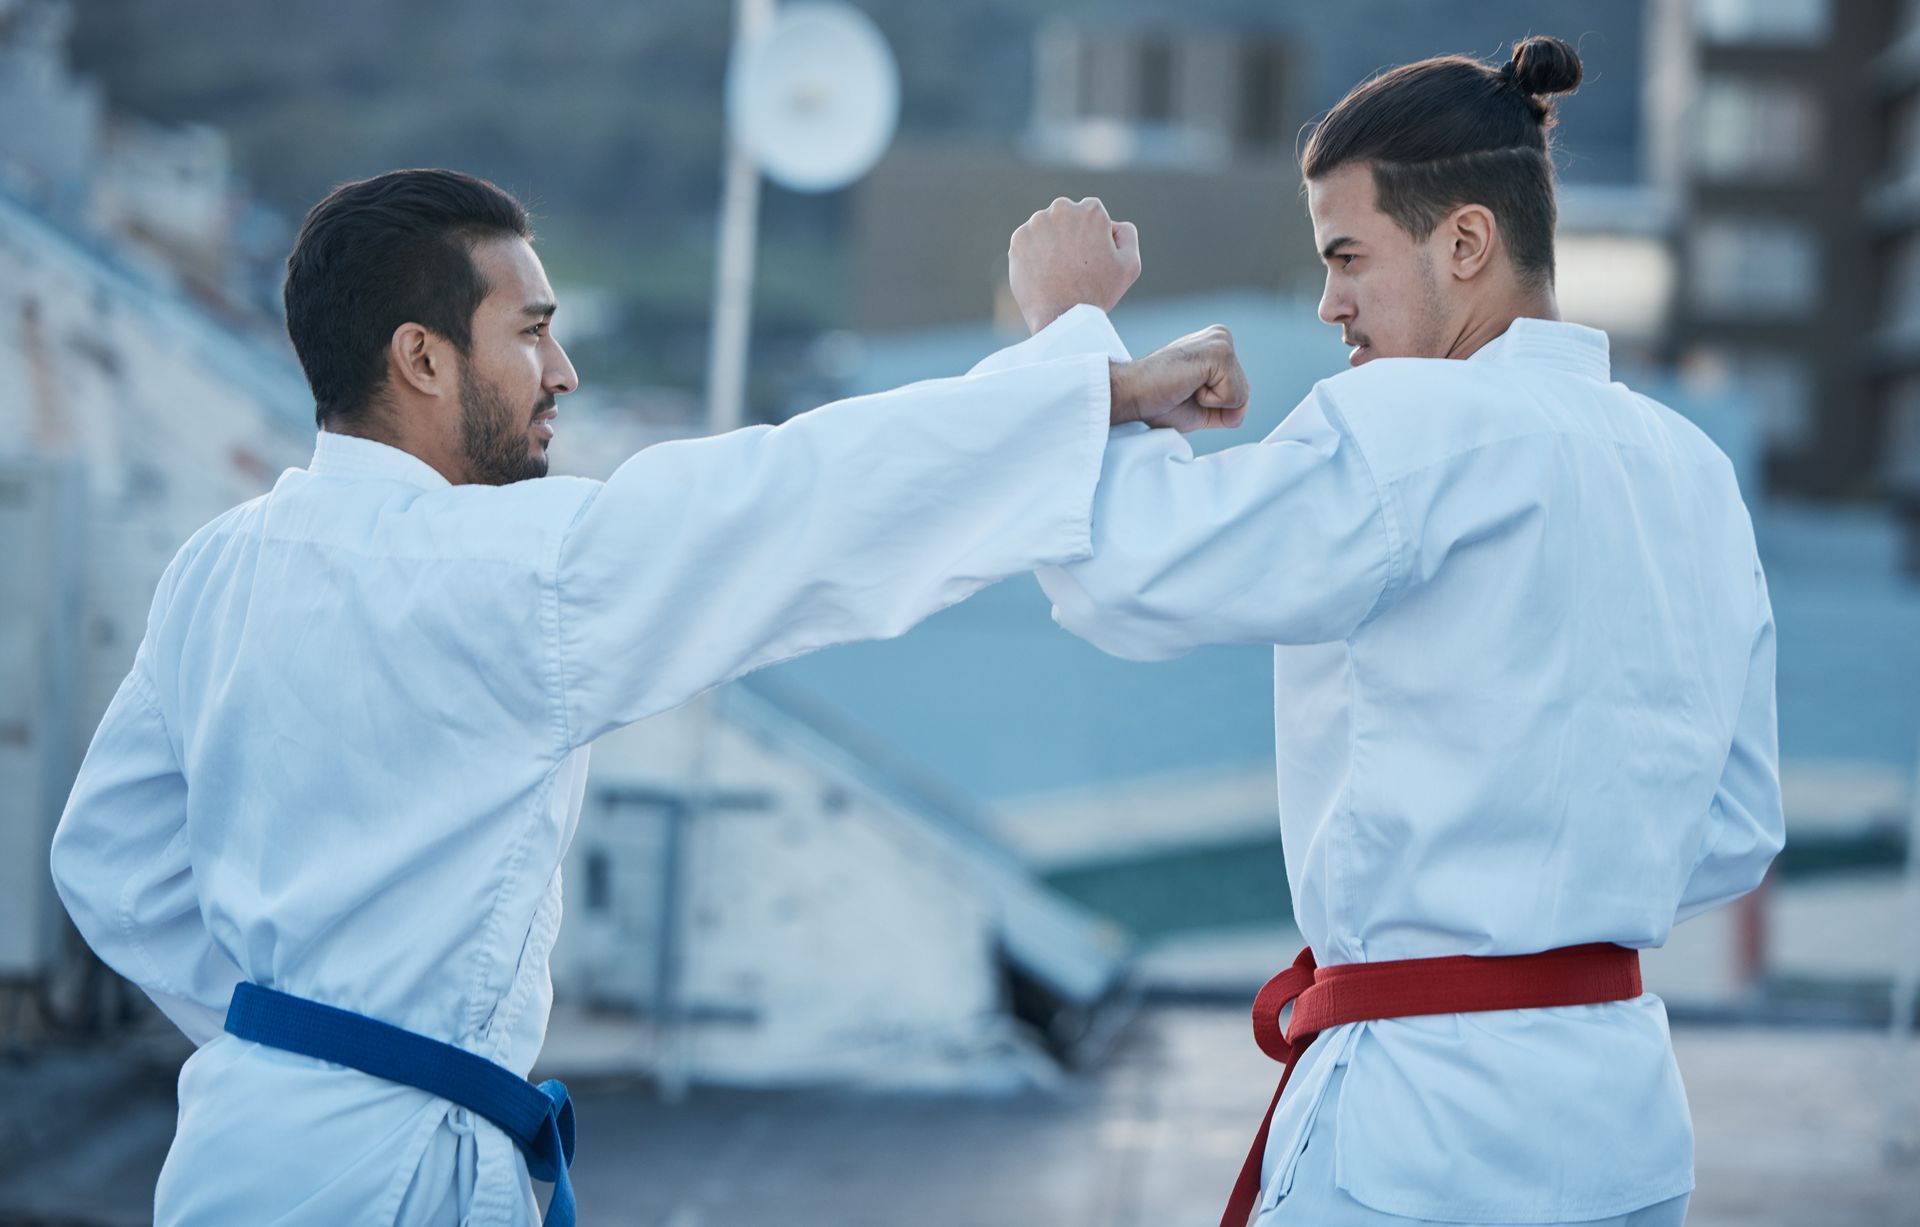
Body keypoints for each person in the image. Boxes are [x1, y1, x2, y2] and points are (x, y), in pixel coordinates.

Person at [47, 169, 1247, 1226]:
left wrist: (291, 1040)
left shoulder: (220, 563)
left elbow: (109, 863)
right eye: (530, 333)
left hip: (235, 1145)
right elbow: (798, 502)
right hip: (389, 1176)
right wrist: (1087, 376)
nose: (563, 371)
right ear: (422, 357)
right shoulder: (507, 572)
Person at [1006, 36, 1783, 1227]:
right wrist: (1555, 893)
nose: (1329, 303)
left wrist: (1070, 334)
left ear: (1465, 241)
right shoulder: (1691, 470)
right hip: (1622, 1123)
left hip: (1425, 1137)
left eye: (1348, 256)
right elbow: (1735, 828)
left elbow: (1124, 576)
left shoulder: (1411, 423)